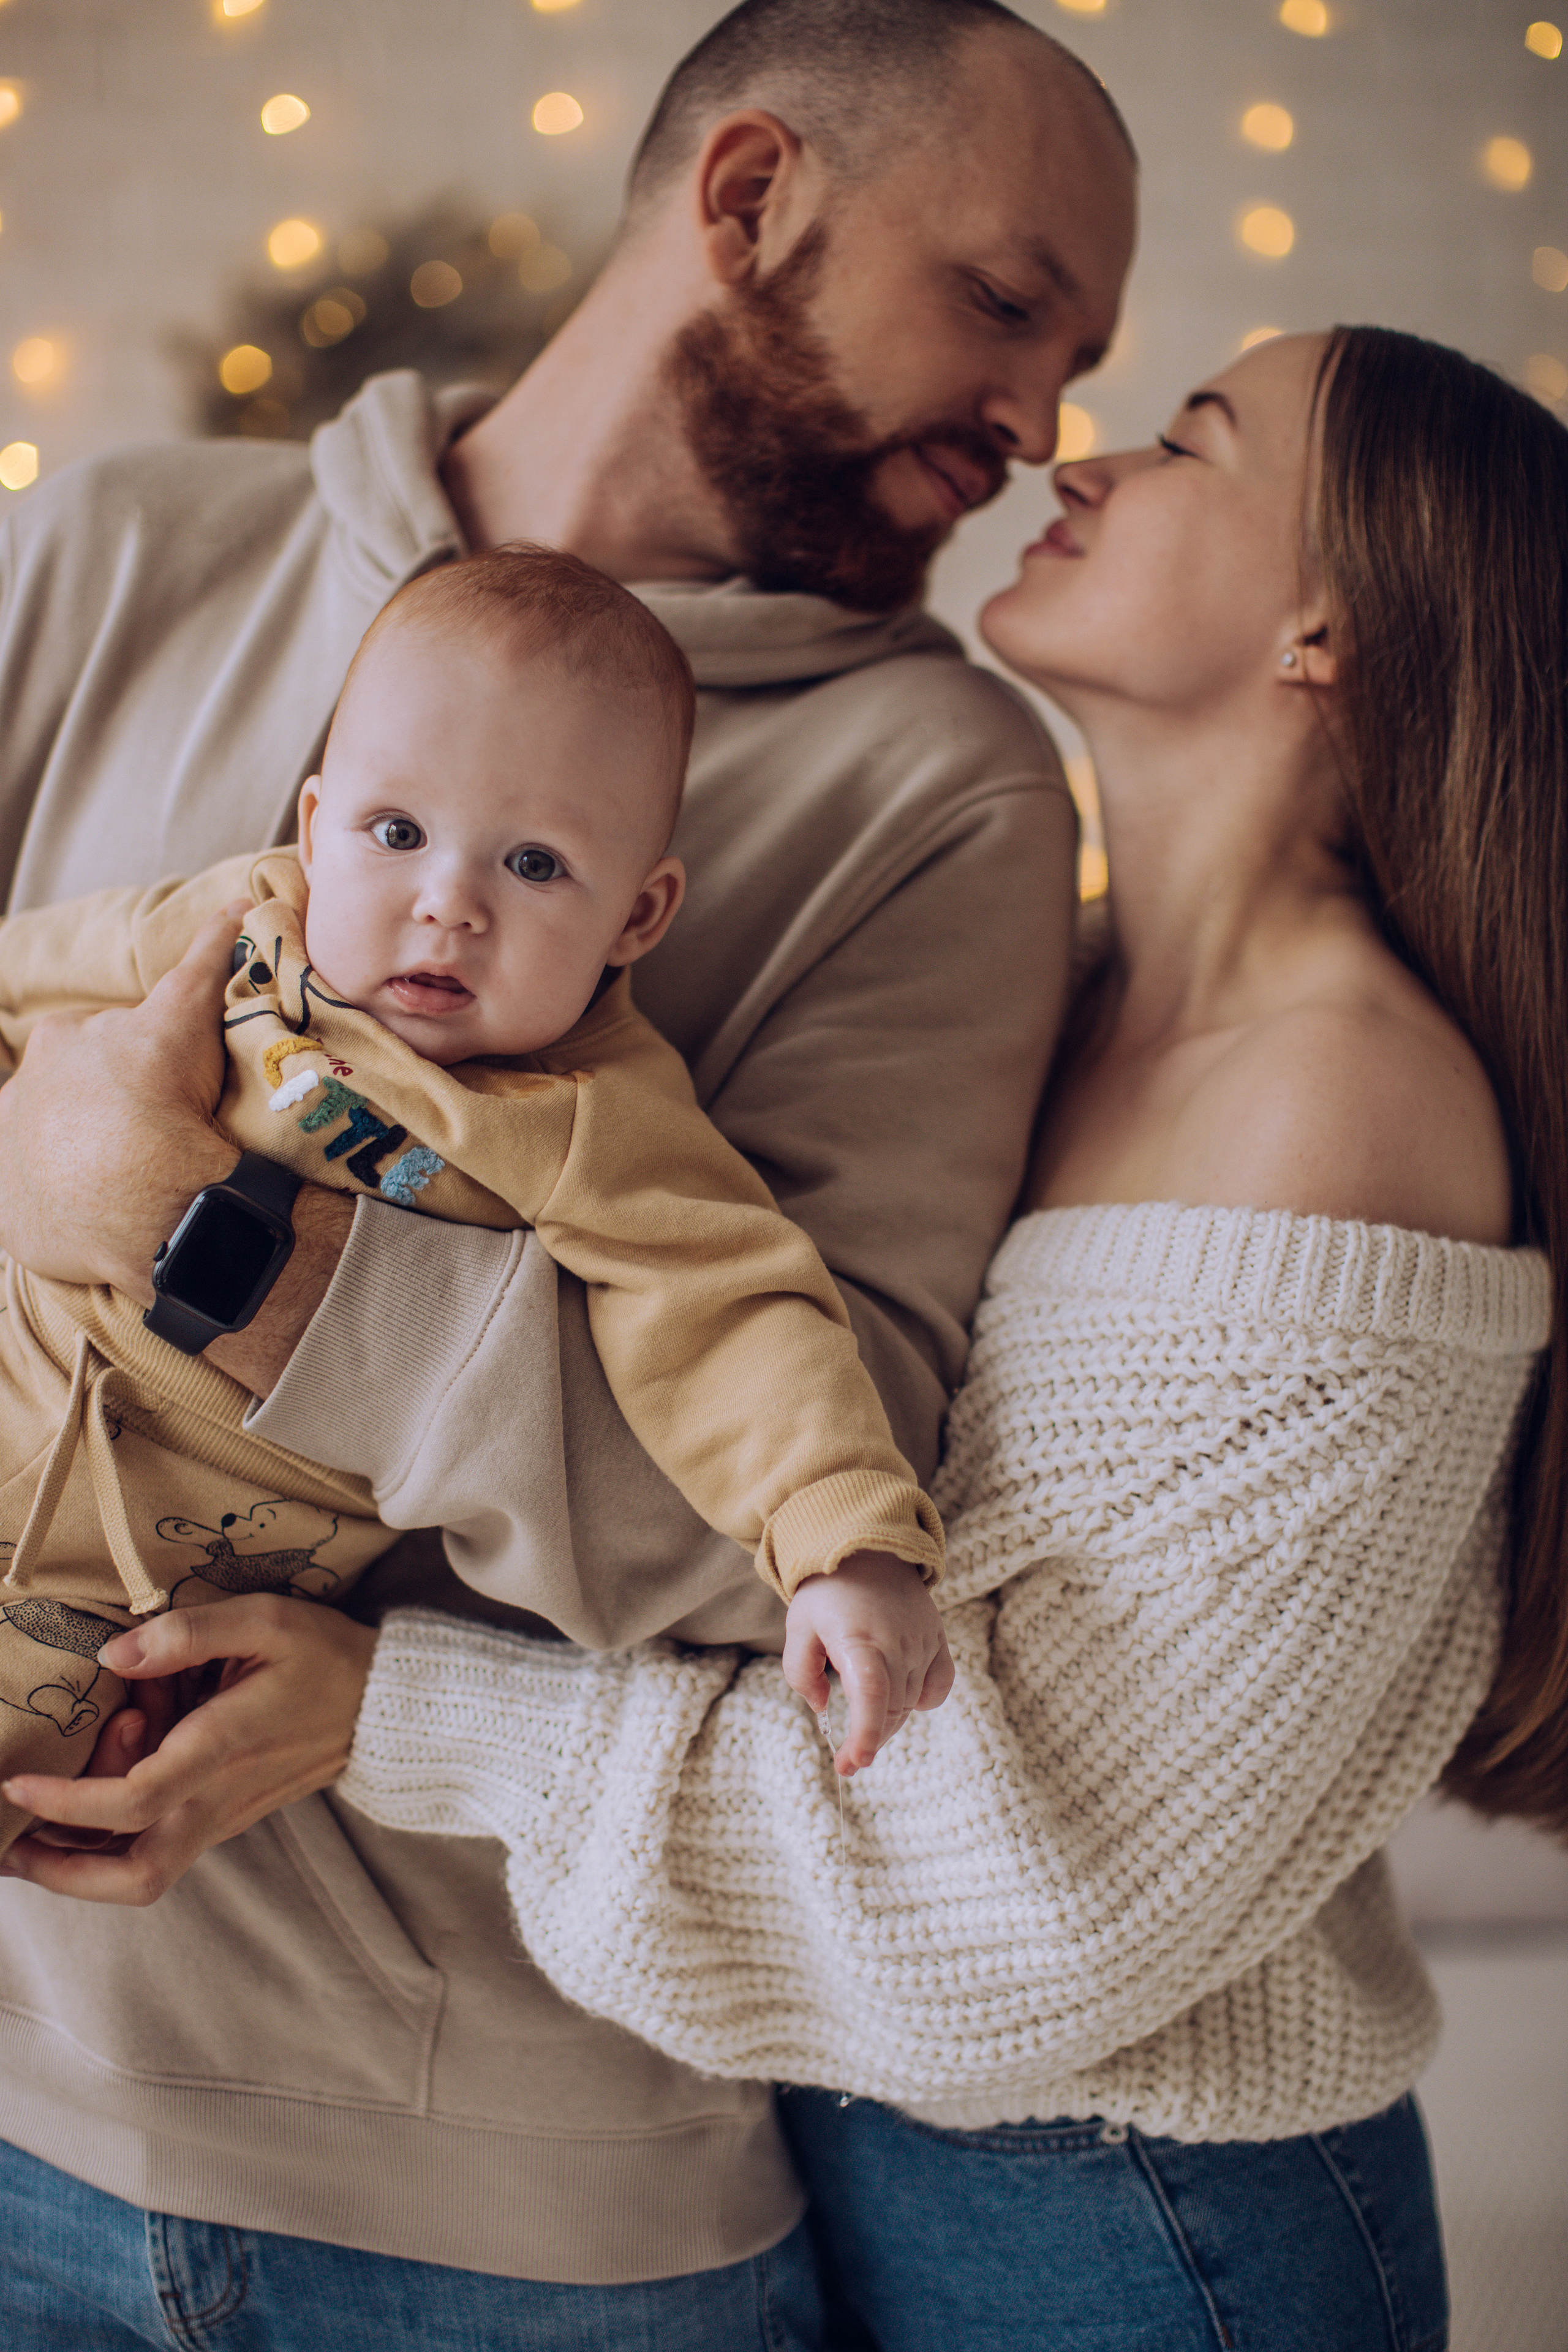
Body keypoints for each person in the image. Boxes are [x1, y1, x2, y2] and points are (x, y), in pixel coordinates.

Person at [0, 0, 1133, 2340]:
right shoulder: (114, 546)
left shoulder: (947, 792)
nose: (1036, 429)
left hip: (472, 2197)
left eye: (1080, 360)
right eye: (1009, 302)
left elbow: (800, 1467)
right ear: (749, 202)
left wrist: (220, 1254)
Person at [329, 326, 1567, 2350]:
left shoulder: (1342, 1105)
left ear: (1329, 627)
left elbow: (1041, 1898)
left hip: (1154, 2228)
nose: (1085, 461)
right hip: (915, 2159)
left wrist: (384, 1712)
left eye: (1191, 442)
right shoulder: (1078, 996)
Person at [0, 544, 949, 1844]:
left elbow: (733, 1317)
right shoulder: (239, 927)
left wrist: (843, 1545)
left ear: (637, 915)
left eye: (537, 867)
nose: (449, 905)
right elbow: (22, 985)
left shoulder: (591, 1116)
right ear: (319, 823)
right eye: (397, 835)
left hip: (136, 1571)